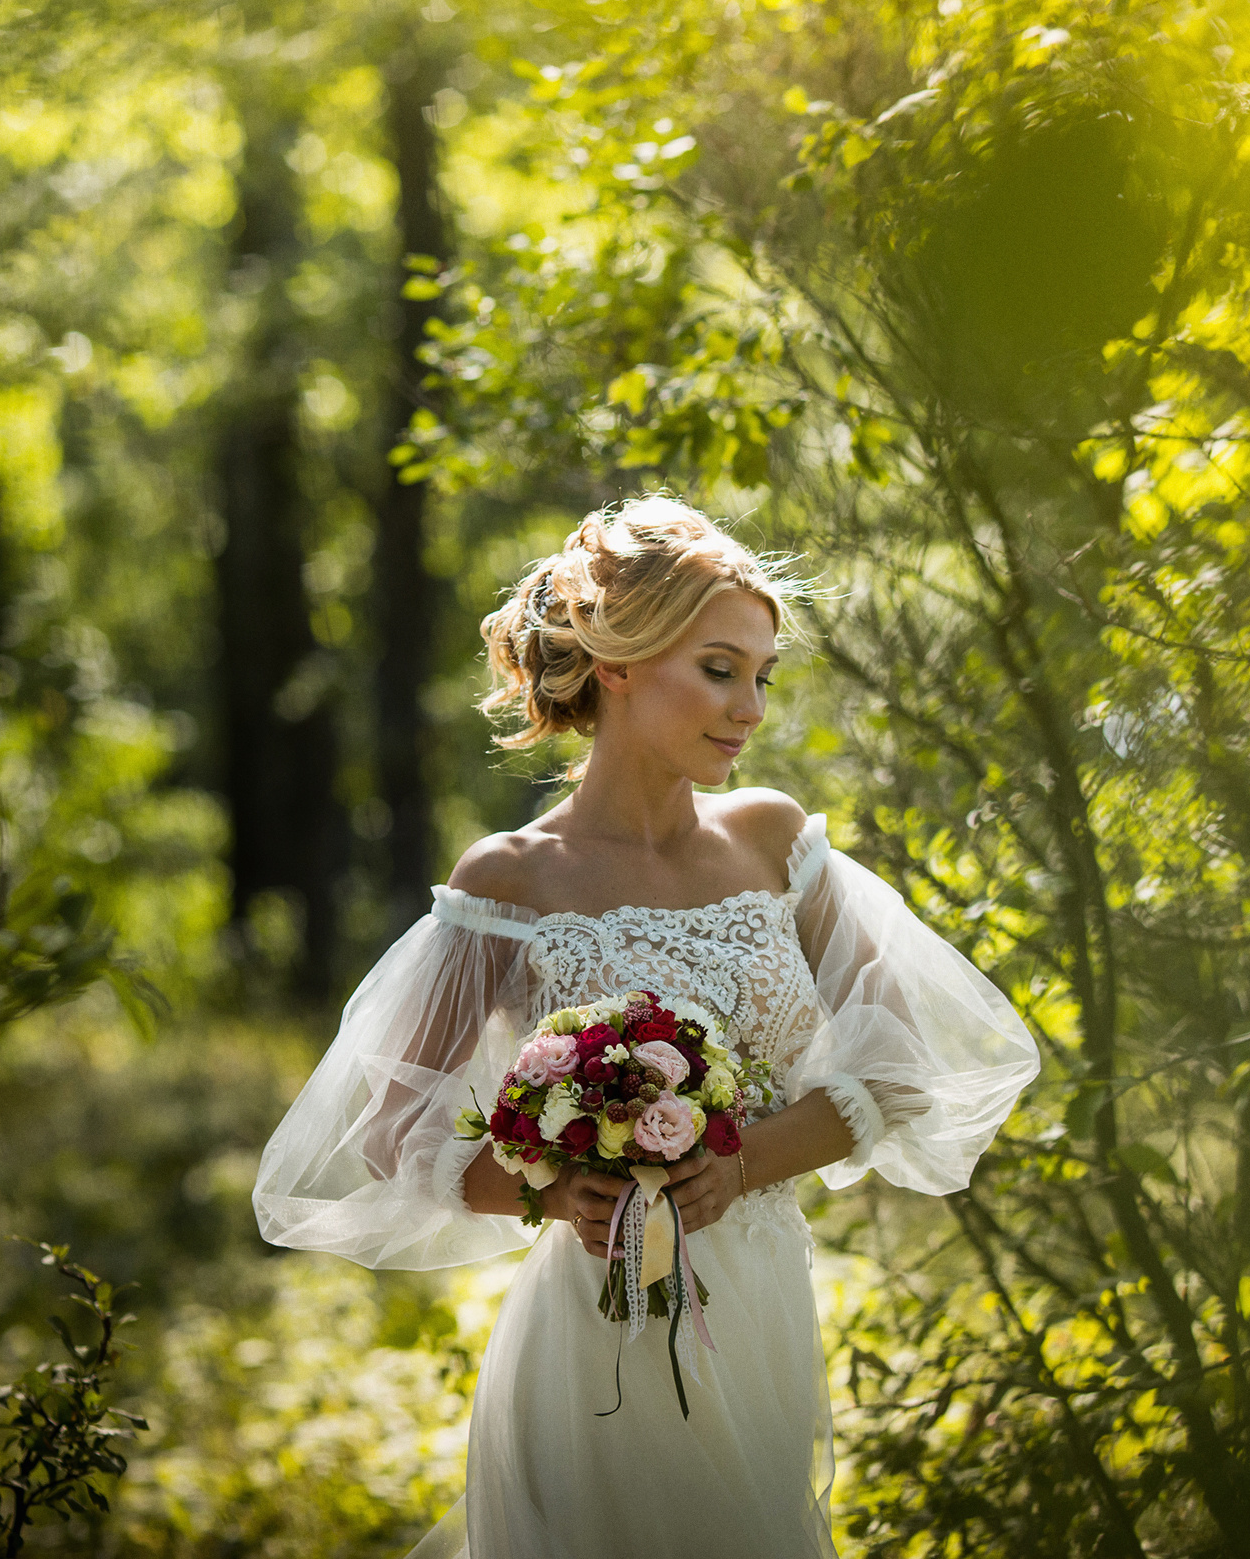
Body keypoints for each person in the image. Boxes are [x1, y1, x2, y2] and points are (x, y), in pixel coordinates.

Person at [253, 498, 1040, 1558]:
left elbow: (899, 1068)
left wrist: (742, 1164)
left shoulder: (774, 840)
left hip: (758, 1307)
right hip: (594, 1328)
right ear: (617, 663)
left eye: (762, 676)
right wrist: (547, 1190)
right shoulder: (511, 879)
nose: (750, 708)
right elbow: (396, 1130)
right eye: (719, 670)